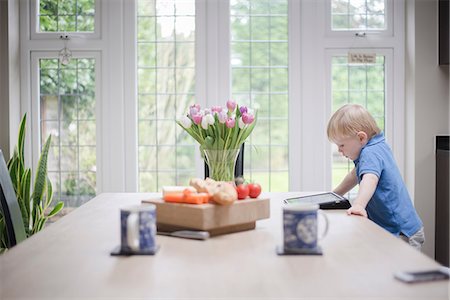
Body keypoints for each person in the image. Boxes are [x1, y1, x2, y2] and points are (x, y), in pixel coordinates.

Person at [327, 104, 424, 251]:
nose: (339, 150)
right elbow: (355, 174)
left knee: (399, 270)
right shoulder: (376, 145)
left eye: (341, 145)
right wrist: (335, 194)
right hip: (400, 227)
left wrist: (359, 205)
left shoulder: (370, 153)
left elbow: (370, 178)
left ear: (361, 137)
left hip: (401, 232)